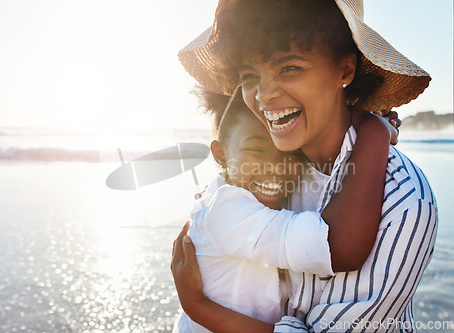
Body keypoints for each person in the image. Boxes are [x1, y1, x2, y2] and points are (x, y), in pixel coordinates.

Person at [171, 0, 438, 332]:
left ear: (345, 70)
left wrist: (198, 307)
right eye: (250, 75)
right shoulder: (272, 171)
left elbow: (338, 246)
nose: (265, 94)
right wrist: (370, 126)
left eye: (289, 67)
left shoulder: (404, 202)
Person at [173, 87, 399, 332]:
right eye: (256, 150)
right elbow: (338, 247)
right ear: (220, 154)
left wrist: (353, 117)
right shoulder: (227, 210)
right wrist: (374, 132)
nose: (276, 167)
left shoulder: (234, 198)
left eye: (288, 154)